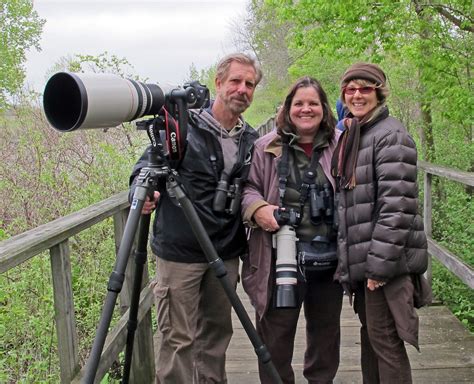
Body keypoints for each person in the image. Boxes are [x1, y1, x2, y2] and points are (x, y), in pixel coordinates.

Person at [129, 53, 262, 383]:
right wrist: (143, 193)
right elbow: (147, 168)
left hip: (226, 253)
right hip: (179, 253)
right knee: (178, 339)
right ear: (218, 83)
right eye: (235, 81)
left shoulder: (252, 140)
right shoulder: (183, 127)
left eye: (250, 84)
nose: (242, 89)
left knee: (215, 337)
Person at [331, 62, 430, 383]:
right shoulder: (360, 132)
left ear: (379, 92)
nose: (357, 95)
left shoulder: (391, 136)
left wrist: (378, 267)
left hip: (386, 264)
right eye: (351, 89)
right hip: (369, 259)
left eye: (365, 88)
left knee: (385, 341)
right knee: (373, 338)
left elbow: (397, 207)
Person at [241, 77, 343, 383]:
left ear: (324, 109)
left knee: (326, 338)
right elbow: (247, 187)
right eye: (298, 103)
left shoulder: (341, 146)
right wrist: (258, 209)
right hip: (279, 259)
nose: (306, 109)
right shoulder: (266, 146)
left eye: (313, 103)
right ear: (287, 108)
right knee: (274, 339)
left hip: (330, 258)